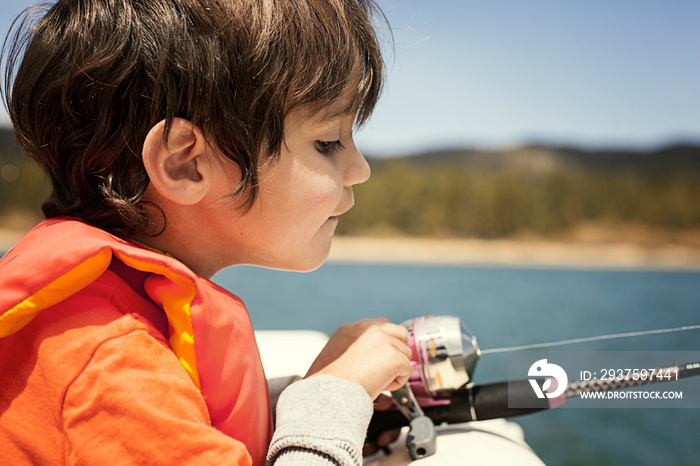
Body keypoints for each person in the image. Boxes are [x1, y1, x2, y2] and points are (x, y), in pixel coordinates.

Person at [0, 0, 413, 464]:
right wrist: (334, 398)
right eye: (328, 141)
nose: (360, 169)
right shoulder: (107, 361)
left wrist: (309, 404)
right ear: (184, 163)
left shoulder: (115, 322)